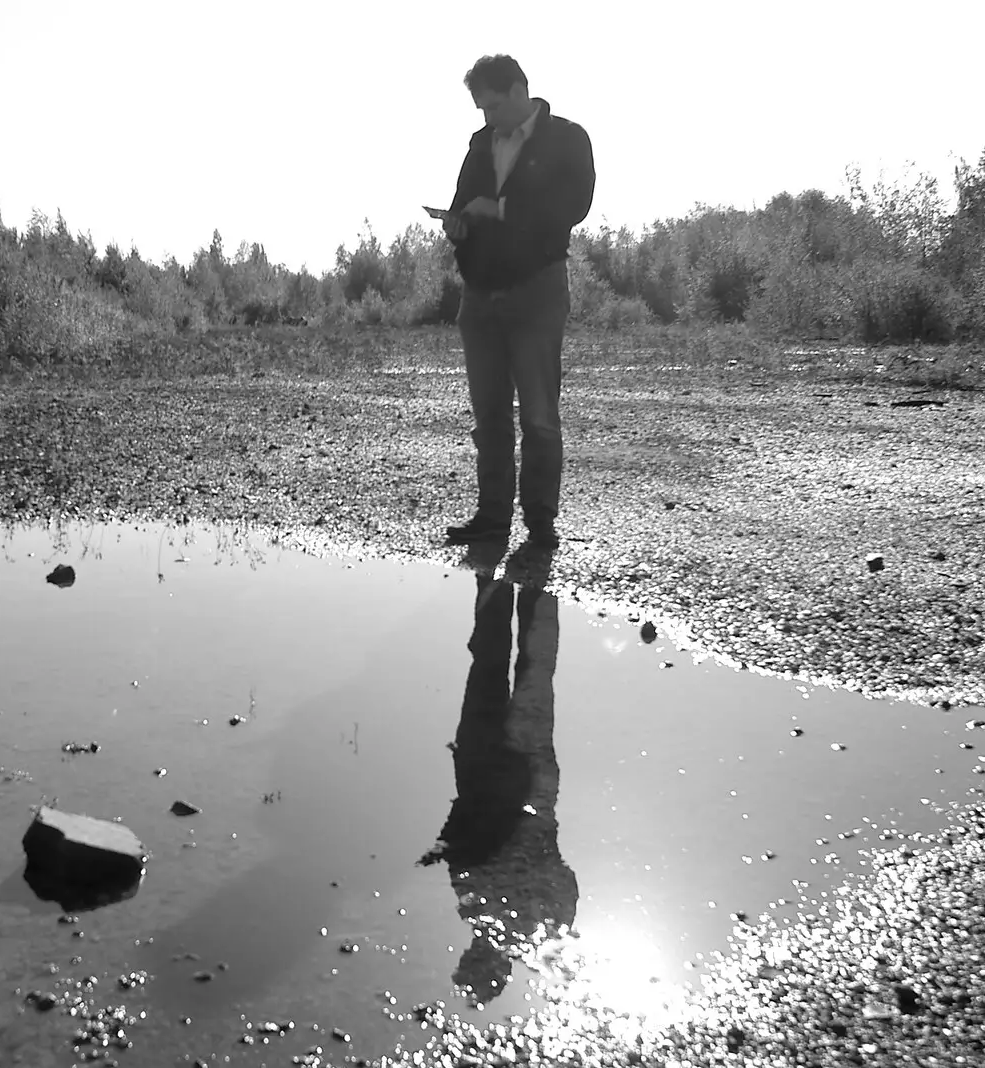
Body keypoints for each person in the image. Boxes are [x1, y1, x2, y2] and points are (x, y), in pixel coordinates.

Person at [441, 55, 595, 550]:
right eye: (480, 108)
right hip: (480, 296)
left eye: (491, 106)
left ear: (518, 90)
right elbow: (465, 201)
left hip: (537, 292)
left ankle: (540, 527)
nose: (486, 118)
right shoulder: (479, 145)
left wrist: (501, 209)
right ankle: (492, 520)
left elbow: (573, 207)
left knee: (538, 417)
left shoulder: (568, 138)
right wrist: (459, 225)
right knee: (488, 417)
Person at [418, 571, 576, 1007]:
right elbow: (462, 837)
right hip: (499, 775)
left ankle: (532, 582)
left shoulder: (538, 927)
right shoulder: (477, 908)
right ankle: (506, 579)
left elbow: (565, 881)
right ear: (483, 963)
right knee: (495, 667)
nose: (469, 952)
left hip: (528, 786)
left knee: (532, 672)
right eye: (471, 961)